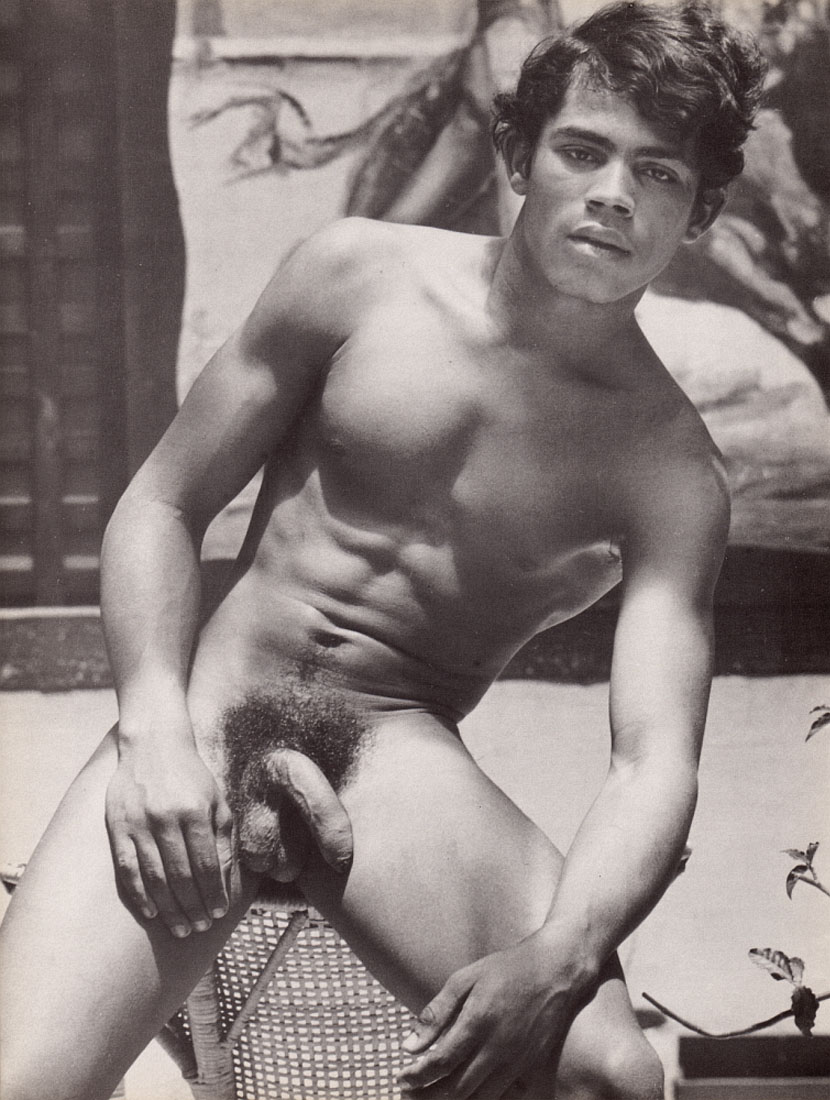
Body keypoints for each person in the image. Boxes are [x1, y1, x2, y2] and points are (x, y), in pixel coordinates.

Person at [0, 2, 766, 1098]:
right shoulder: (354, 275)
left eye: (657, 172)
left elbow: (652, 761)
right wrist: (153, 731)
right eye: (582, 151)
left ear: (700, 212)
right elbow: (161, 504)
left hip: (391, 749)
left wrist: (560, 956)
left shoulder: (670, 473)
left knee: (609, 1078)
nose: (612, 193)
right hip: (211, 710)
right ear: (518, 157)